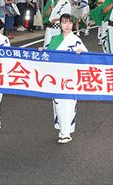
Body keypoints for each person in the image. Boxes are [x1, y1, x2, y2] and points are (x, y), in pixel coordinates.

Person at [39, 14, 87, 144]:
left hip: (70, 77)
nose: (67, 25)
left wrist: (80, 53)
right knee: (58, 103)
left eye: (70, 23)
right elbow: (48, 54)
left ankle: (67, 132)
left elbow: (87, 56)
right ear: (60, 24)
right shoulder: (55, 39)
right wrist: (43, 50)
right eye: (64, 22)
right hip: (56, 76)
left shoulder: (76, 40)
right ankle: (62, 129)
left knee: (69, 103)